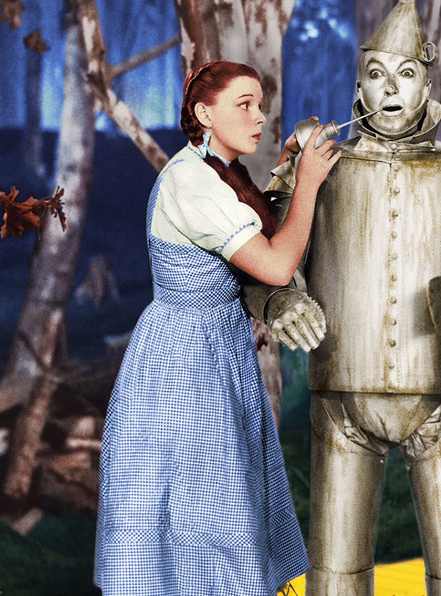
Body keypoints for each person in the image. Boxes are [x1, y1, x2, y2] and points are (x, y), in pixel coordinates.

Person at [241, 2, 441, 594]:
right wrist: (279, 302)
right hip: (341, 399)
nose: (390, 89)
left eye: (406, 74)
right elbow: (257, 260)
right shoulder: (313, 171)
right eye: (376, 74)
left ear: (427, 84)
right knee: (334, 581)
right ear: (359, 86)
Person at [93, 60, 340, 596]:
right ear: (205, 114)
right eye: (243, 105)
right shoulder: (191, 183)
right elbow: (275, 265)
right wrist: (309, 184)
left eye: (260, 105)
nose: (259, 117)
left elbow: (260, 229)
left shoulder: (218, 172)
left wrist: (288, 169)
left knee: (227, 497)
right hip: (185, 361)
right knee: (200, 501)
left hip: (215, 349)